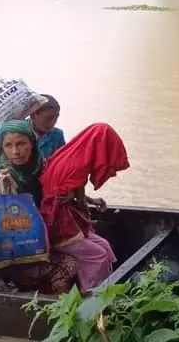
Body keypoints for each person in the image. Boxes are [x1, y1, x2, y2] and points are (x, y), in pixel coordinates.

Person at [0, 120, 77, 294]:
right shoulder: (4, 179)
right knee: (68, 266)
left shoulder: (40, 166)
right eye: (8, 146)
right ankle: (61, 314)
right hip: (15, 254)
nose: (15, 152)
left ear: (32, 143)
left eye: (21, 144)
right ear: (1, 149)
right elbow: (7, 226)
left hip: (40, 237)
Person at [39, 123, 130, 293]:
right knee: (98, 256)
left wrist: (89, 200)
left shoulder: (75, 156)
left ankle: (105, 288)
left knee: (105, 246)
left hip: (66, 221)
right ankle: (93, 299)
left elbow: (75, 192)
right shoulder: (74, 164)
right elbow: (73, 197)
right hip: (57, 227)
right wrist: (81, 202)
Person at [0, 94, 66, 160]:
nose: (53, 122)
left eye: (56, 117)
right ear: (33, 115)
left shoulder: (57, 135)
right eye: (48, 118)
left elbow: (61, 161)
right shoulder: (15, 129)